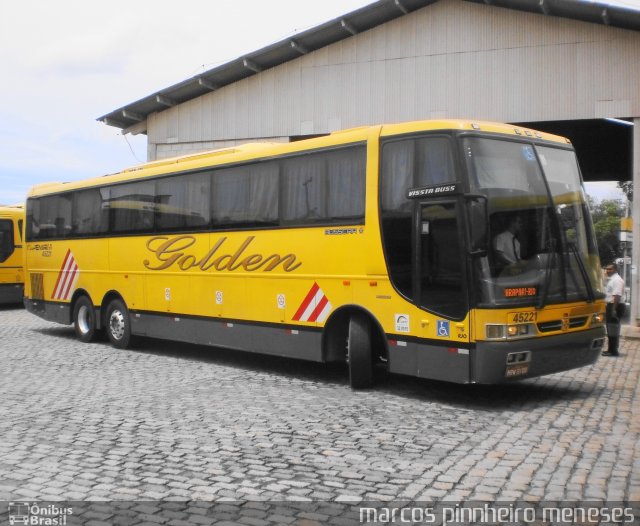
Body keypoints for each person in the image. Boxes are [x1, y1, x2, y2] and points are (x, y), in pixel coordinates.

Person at [602, 262, 625, 357]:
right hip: (611, 305)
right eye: (607, 269)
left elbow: (617, 296)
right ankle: (611, 349)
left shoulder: (617, 280)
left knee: (613, 329)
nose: (608, 270)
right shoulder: (611, 279)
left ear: (615, 269)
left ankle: (613, 351)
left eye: (610, 269)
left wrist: (614, 309)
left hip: (615, 305)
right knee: (611, 328)